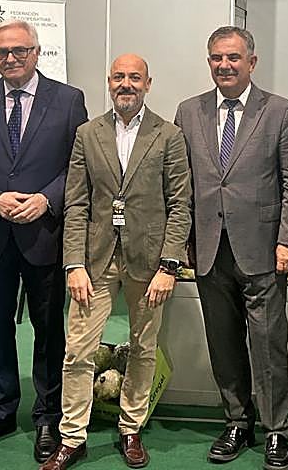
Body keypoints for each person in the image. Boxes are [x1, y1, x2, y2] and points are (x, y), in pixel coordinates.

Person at [40, 54, 192, 470]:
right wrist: (73, 263)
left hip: (149, 262)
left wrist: (169, 266)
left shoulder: (169, 135)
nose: (126, 84)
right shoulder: (87, 134)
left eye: (134, 77)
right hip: (95, 261)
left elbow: (180, 205)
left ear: (148, 83)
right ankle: (72, 437)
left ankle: (130, 428)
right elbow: (76, 203)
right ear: (109, 82)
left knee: (143, 348)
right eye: (119, 77)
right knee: (78, 350)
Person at [0, 20, 87, 461]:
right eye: (1, 52)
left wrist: (46, 200)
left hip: (45, 235)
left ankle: (48, 416)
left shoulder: (68, 100)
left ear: (36, 52)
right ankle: (1, 410)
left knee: (49, 331)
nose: (10, 59)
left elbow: (79, 164)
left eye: (19, 50)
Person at [174, 27, 288, 470]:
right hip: (209, 250)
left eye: (233, 57)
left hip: (262, 249)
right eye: (216, 58)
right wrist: (184, 241)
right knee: (223, 342)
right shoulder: (189, 111)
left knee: (268, 343)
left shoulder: (280, 111)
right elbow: (182, 184)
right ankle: (236, 421)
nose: (224, 65)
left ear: (252, 61)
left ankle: (276, 430)